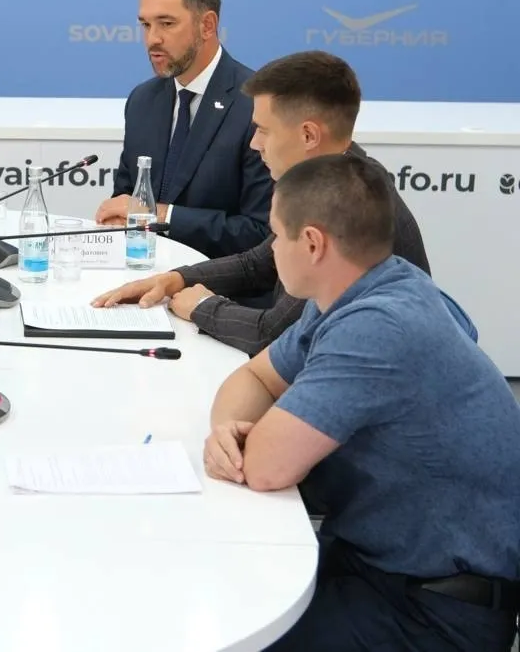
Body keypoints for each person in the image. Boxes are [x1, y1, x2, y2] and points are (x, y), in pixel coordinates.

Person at [204, 154, 520, 651]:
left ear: (313, 244)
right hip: (379, 563)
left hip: (433, 611)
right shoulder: (360, 289)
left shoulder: (379, 326)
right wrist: (227, 434)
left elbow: (265, 467)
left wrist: (249, 444)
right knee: (220, 589)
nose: (273, 250)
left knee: (223, 633)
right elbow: (255, 376)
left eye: (276, 236)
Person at [93, 51, 432, 355]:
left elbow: (276, 335)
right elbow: (258, 262)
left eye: (264, 130)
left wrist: (203, 306)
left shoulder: (347, 205)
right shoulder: (334, 175)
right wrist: (176, 279)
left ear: (309, 136)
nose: (255, 143)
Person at [96, 0, 272, 259]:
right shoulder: (142, 101)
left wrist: (161, 215)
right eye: (146, 25)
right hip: (142, 273)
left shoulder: (256, 104)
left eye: (166, 23)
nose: (152, 39)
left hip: (220, 281)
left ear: (207, 25)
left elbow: (259, 232)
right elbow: (126, 201)